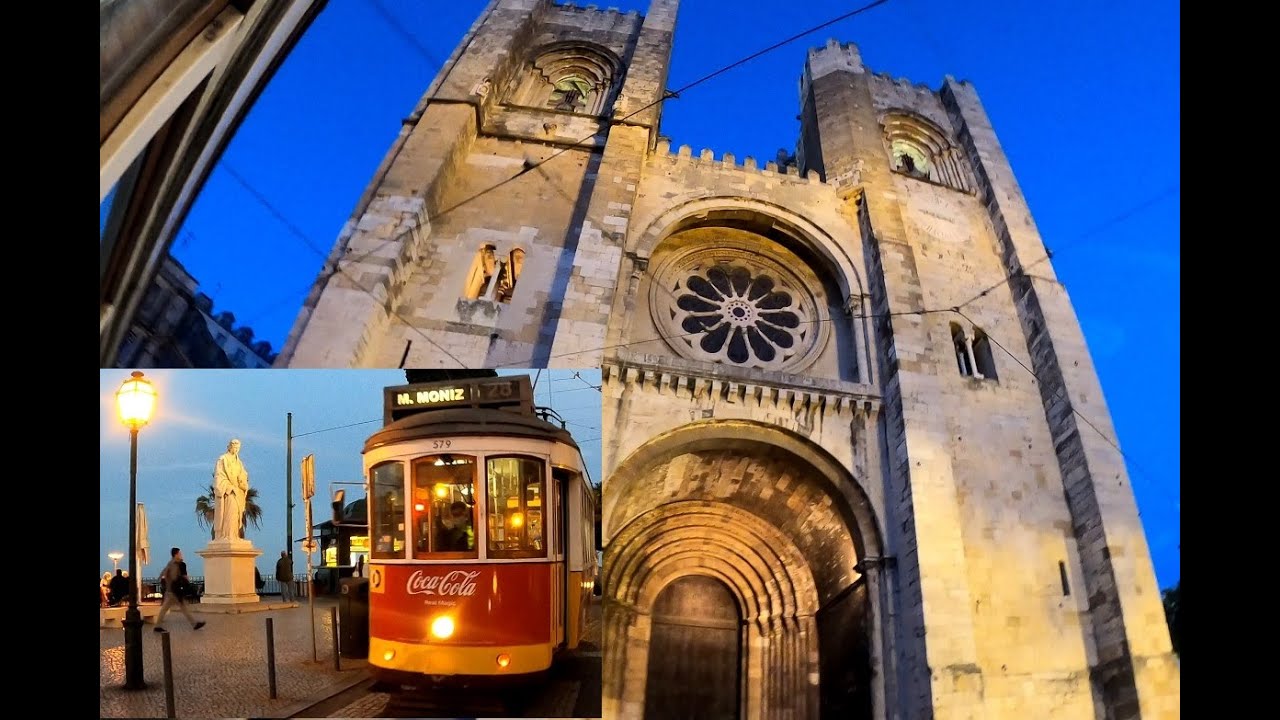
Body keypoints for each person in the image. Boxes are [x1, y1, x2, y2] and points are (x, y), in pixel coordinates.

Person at [154, 547, 205, 632]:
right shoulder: (175, 564)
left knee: (167, 608)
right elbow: (174, 577)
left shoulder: (171, 563)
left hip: (170, 590)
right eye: (180, 553)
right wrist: (185, 581)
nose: (181, 555)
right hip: (174, 591)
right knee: (182, 608)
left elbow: (164, 574)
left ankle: (157, 626)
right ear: (176, 554)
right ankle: (194, 624)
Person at [213, 439, 250, 541]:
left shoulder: (239, 462)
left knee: (236, 515)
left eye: (238, 448)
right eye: (234, 447)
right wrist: (228, 486)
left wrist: (243, 484)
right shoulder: (222, 459)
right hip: (228, 491)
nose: (236, 450)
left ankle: (234, 535)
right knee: (230, 511)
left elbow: (243, 475)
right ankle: (227, 535)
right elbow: (219, 476)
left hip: (237, 491)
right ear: (229, 447)